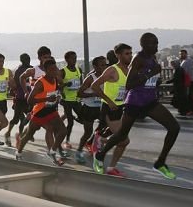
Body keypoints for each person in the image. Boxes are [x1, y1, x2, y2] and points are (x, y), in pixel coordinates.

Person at [94, 33, 181, 180]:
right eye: (153, 44)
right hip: (134, 102)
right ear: (144, 45)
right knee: (121, 134)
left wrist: (155, 80)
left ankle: (160, 163)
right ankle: (100, 155)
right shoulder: (138, 58)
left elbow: (149, 80)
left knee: (174, 128)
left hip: (150, 101)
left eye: (157, 43)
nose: (156, 46)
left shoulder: (152, 58)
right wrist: (150, 73)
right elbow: (130, 84)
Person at [89, 43, 133, 177]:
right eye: (127, 54)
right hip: (110, 108)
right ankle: (99, 155)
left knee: (121, 141)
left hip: (122, 107)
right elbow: (94, 86)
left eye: (131, 53)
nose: (130, 56)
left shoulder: (130, 69)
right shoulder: (112, 70)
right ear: (118, 55)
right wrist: (109, 101)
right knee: (124, 141)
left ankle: (111, 166)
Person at [16, 58, 66, 165]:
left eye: (55, 68)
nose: (55, 71)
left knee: (62, 131)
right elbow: (30, 100)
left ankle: (52, 151)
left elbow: (55, 91)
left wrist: (58, 96)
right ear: (46, 70)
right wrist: (46, 99)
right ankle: (18, 152)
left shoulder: (55, 79)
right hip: (40, 111)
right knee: (29, 133)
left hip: (51, 109)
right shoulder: (40, 83)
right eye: (51, 69)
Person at [74, 56, 107, 164]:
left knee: (104, 127)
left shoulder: (107, 77)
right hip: (89, 108)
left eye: (105, 65)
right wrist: (93, 94)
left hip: (101, 107)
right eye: (101, 65)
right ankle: (79, 151)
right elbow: (79, 93)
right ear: (95, 66)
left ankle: (92, 143)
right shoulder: (90, 78)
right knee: (87, 132)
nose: (104, 67)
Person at [5, 53, 32, 147]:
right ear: (22, 60)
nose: (27, 60)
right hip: (20, 97)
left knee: (31, 117)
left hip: (30, 98)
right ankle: (8, 133)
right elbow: (15, 84)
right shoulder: (19, 71)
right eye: (25, 59)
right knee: (16, 119)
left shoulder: (32, 69)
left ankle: (23, 133)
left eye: (28, 59)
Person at [60, 51, 83, 150]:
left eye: (75, 58)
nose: (74, 60)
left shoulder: (79, 70)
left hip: (76, 99)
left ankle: (72, 117)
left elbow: (81, 83)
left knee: (83, 119)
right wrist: (66, 84)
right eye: (72, 58)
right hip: (67, 100)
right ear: (67, 60)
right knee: (70, 122)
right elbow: (58, 86)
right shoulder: (63, 71)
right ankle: (67, 141)